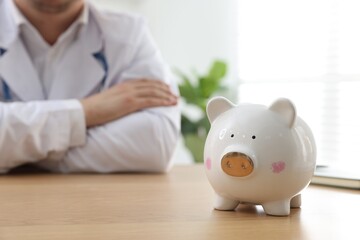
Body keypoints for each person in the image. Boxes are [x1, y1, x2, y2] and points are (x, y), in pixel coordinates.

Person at [0, 0, 180, 173]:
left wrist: (15, 151)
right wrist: (86, 111)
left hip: (96, 201)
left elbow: (156, 143)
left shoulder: (129, 34)